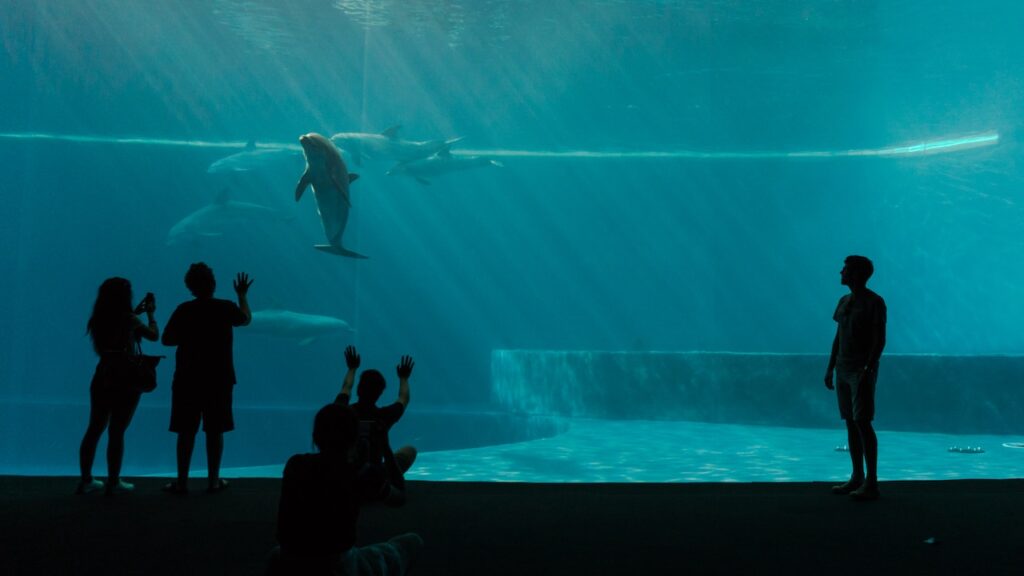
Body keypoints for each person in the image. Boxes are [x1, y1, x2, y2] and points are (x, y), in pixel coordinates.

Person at [269, 403, 422, 575]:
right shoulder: (360, 473)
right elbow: (399, 497)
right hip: (339, 566)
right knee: (412, 542)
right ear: (355, 438)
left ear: (315, 436)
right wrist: (384, 446)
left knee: (276, 554)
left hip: (290, 560)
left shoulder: (295, 465)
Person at [161, 263, 252, 494]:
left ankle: (182, 482)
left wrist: (190, 335)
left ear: (189, 287)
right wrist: (242, 294)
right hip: (219, 378)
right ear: (213, 284)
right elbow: (245, 319)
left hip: (187, 379)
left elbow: (167, 340)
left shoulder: (183, 310)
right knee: (215, 430)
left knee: (185, 431)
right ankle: (213, 481)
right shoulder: (225, 308)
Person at [78, 277, 159, 495]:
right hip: (126, 377)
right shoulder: (129, 319)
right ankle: (113, 481)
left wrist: (135, 314)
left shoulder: (98, 319)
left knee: (95, 428)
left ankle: (86, 479)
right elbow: (153, 336)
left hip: (103, 374)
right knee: (117, 430)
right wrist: (151, 314)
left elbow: (115, 334)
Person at [824, 255, 887, 501]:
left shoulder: (875, 303)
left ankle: (872, 481)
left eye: (846, 270)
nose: (841, 272)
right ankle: (857, 476)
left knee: (863, 422)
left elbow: (879, 339)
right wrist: (830, 367)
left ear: (858, 274)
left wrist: (868, 369)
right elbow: (839, 336)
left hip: (861, 370)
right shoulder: (844, 301)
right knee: (850, 421)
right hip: (842, 367)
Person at [336, 345, 416, 505]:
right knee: (410, 450)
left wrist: (352, 368)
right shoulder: (383, 417)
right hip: (374, 474)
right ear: (380, 393)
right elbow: (403, 398)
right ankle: (385, 485)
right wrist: (404, 378)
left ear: (359, 390)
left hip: (344, 472)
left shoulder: (342, 412)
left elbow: (346, 387)